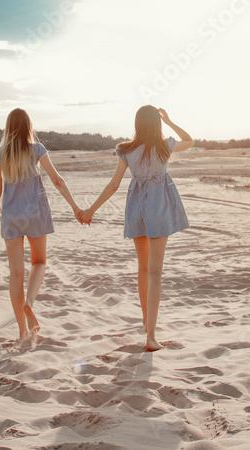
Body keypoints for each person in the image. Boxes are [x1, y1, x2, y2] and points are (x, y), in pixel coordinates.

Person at [79, 106, 192, 351]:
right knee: (155, 273)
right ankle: (151, 336)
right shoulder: (165, 146)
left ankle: (145, 321)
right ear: (157, 125)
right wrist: (170, 120)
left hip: (137, 209)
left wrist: (91, 210)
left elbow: (113, 185)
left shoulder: (126, 149)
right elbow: (190, 140)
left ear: (137, 124)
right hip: (159, 209)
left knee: (143, 268)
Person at [0, 108, 81, 341]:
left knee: (15, 274)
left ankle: (22, 331)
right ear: (28, 127)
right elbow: (57, 180)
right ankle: (29, 302)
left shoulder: (0, 154)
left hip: (11, 218)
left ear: (8, 127)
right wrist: (75, 207)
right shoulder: (37, 150)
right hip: (36, 214)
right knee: (39, 262)